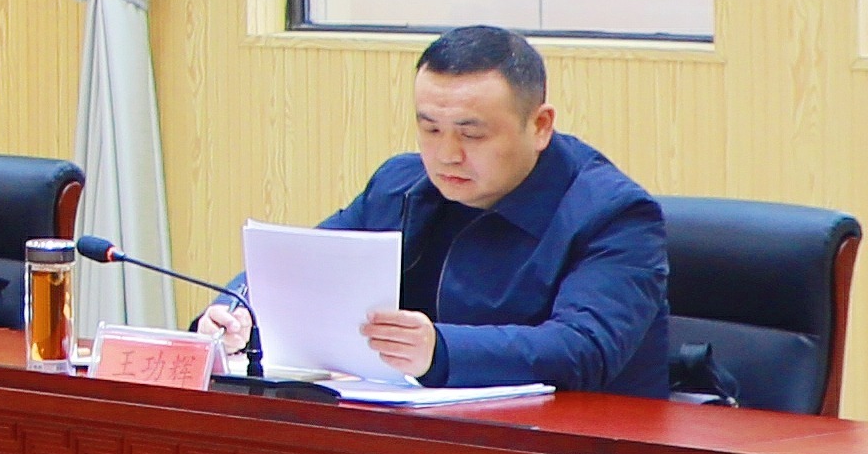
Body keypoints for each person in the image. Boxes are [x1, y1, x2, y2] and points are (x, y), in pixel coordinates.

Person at [195, 23, 672, 392]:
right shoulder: (400, 186)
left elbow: (582, 349)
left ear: (540, 126)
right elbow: (301, 267)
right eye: (430, 129)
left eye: (471, 134)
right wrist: (236, 310)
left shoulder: (614, 215)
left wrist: (439, 350)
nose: (446, 155)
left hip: (582, 453)